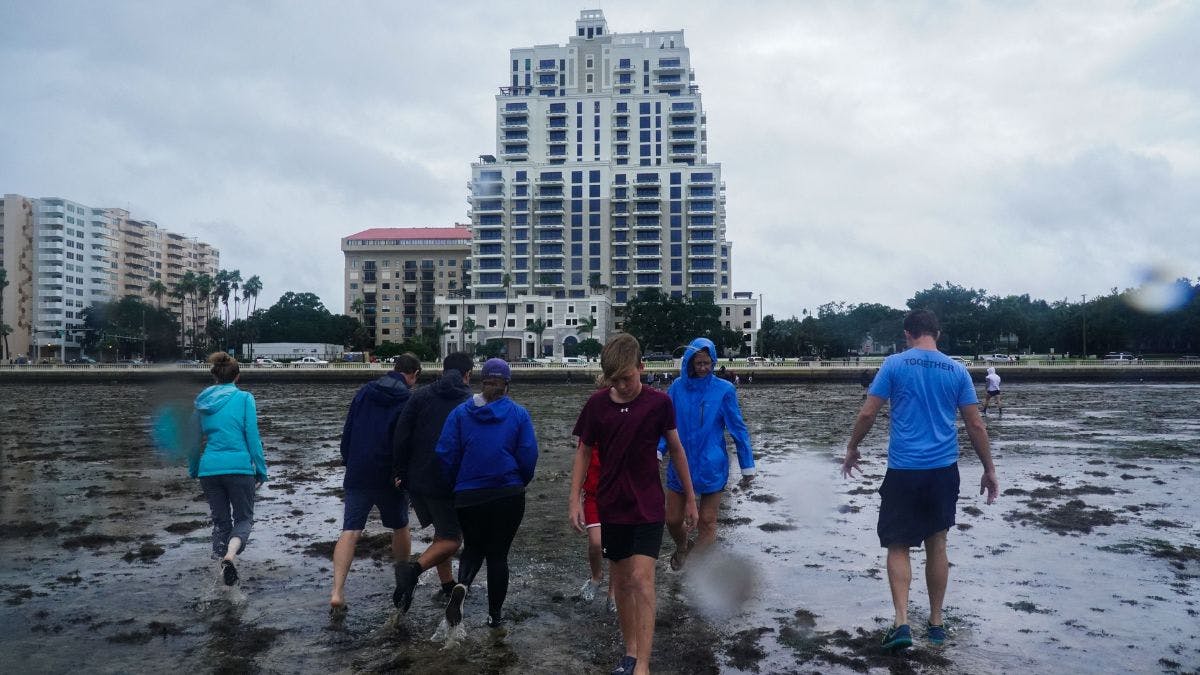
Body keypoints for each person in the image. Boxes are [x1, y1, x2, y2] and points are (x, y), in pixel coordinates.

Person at [841, 310, 999, 652]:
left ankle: (901, 623)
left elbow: (868, 412)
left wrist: (852, 447)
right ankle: (936, 624)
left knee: (898, 545)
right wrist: (989, 468)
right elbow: (975, 424)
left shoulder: (894, 365)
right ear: (937, 334)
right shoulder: (956, 369)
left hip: (904, 470)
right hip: (943, 470)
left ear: (907, 334)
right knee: (937, 544)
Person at [569, 334, 699, 675]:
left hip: (648, 506)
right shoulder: (597, 405)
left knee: (642, 579)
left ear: (641, 367)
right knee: (623, 583)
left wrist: (690, 498)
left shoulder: (659, 403)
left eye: (627, 377)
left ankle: (643, 663)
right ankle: (630, 652)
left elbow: (676, 449)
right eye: (615, 380)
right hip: (612, 506)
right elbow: (583, 452)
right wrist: (575, 499)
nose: (622, 386)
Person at [436, 358, 538, 632]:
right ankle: (495, 617)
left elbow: (445, 453)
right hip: (508, 492)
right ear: (507, 385)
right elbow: (528, 456)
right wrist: (519, 481)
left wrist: (458, 482)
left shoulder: (460, 413)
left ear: (482, 382)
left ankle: (462, 585)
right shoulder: (518, 414)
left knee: (473, 547)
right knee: (498, 555)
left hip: (468, 494)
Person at [329, 353, 421, 619]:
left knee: (350, 531)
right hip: (389, 475)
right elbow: (405, 440)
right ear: (414, 374)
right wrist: (404, 472)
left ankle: (337, 591)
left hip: (359, 470)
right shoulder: (408, 399)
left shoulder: (364, 392)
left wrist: (348, 459)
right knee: (400, 526)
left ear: (395, 368)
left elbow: (349, 429)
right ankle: (402, 579)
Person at [391, 352, 474, 612]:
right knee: (452, 538)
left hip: (417, 478)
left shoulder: (420, 396)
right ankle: (412, 571)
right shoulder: (468, 401)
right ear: (468, 375)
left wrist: (400, 471)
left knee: (442, 531)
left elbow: (401, 434)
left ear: (442, 370)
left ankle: (447, 584)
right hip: (449, 480)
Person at [662, 338, 755, 571]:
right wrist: (658, 450)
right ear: (689, 363)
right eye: (698, 363)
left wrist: (747, 466)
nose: (703, 368)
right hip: (680, 464)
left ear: (713, 362)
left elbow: (738, 428)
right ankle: (683, 546)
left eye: (707, 363)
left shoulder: (724, 390)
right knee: (672, 519)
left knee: (707, 521)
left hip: (712, 465)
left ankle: (696, 572)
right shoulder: (676, 389)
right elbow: (665, 424)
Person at [189, 352, 268, 587]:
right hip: (239, 468)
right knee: (243, 519)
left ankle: (220, 577)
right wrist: (261, 469)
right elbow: (252, 437)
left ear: (214, 376)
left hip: (209, 469)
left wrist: (194, 468)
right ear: (237, 376)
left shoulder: (201, 402)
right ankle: (230, 557)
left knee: (220, 523)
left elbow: (192, 440)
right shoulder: (244, 398)